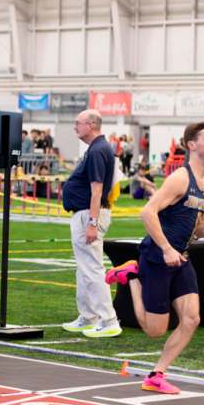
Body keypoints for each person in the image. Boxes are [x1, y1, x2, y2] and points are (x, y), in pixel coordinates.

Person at [105, 122, 204, 394]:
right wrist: (166, 249)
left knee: (191, 319)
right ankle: (131, 276)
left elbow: (199, 229)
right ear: (192, 145)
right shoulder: (181, 177)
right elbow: (147, 213)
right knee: (155, 330)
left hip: (181, 257)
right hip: (157, 255)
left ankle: (157, 374)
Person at [61, 109, 120, 338]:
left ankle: (109, 320)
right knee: (84, 269)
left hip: (89, 214)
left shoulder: (97, 150)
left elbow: (96, 191)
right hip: (85, 213)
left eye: (79, 123)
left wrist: (92, 223)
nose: (75, 127)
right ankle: (88, 316)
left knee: (92, 269)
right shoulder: (96, 148)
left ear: (91, 125)